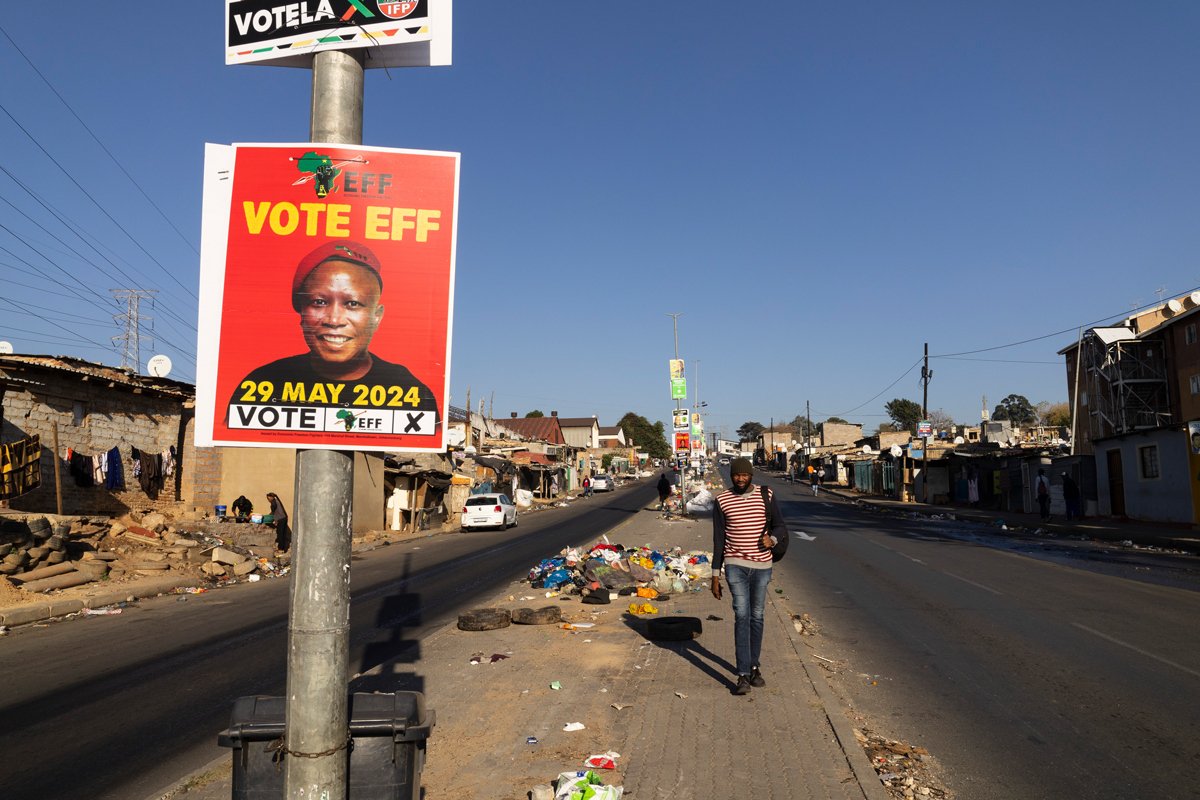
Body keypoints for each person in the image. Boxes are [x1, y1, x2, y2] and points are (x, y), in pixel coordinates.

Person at [230, 241, 439, 427]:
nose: (334, 320)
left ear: (377, 317)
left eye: (352, 304)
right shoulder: (261, 384)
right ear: (302, 311)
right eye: (319, 302)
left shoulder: (410, 392)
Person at [711, 458, 788, 695]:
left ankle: (755, 667)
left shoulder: (767, 495)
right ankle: (743, 674)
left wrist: (772, 539)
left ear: (751, 476)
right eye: (736, 475)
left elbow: (780, 527)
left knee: (757, 616)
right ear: (732, 476)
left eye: (745, 475)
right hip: (735, 565)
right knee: (741, 615)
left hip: (762, 566)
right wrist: (715, 574)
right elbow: (718, 539)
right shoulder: (722, 501)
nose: (741, 479)